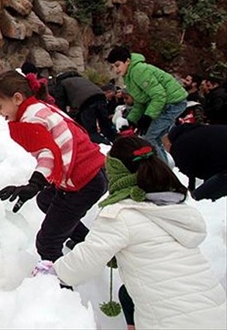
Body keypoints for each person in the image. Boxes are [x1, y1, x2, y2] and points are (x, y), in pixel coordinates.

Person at [41, 136, 227, 329]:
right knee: (127, 295)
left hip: (172, 323)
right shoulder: (175, 207)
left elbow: (84, 263)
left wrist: (53, 270)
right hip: (217, 315)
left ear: (116, 173)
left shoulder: (120, 214)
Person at [0, 70, 107, 262]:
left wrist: (34, 183)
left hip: (82, 182)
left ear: (17, 98)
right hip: (95, 171)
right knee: (46, 200)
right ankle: (85, 241)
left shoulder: (30, 120)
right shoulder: (39, 107)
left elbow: (48, 154)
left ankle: (60, 286)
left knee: (47, 242)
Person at [106, 46, 188, 163]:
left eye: (117, 65)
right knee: (153, 138)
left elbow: (159, 95)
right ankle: (165, 169)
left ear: (127, 61)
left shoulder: (139, 70)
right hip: (164, 103)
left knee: (150, 137)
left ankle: (163, 172)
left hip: (172, 103)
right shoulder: (128, 76)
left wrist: (148, 117)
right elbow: (140, 101)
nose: (115, 70)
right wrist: (131, 120)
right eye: (113, 67)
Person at [51, 71, 117, 145]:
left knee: (90, 131)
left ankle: (104, 146)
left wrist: (65, 116)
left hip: (85, 102)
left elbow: (60, 102)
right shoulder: (80, 79)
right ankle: (118, 143)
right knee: (105, 126)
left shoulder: (61, 83)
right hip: (100, 97)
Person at [165, 124, 227, 201]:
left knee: (199, 199)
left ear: (168, 143)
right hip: (219, 154)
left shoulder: (180, 146)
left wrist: (192, 191)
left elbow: (189, 170)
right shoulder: (192, 132)